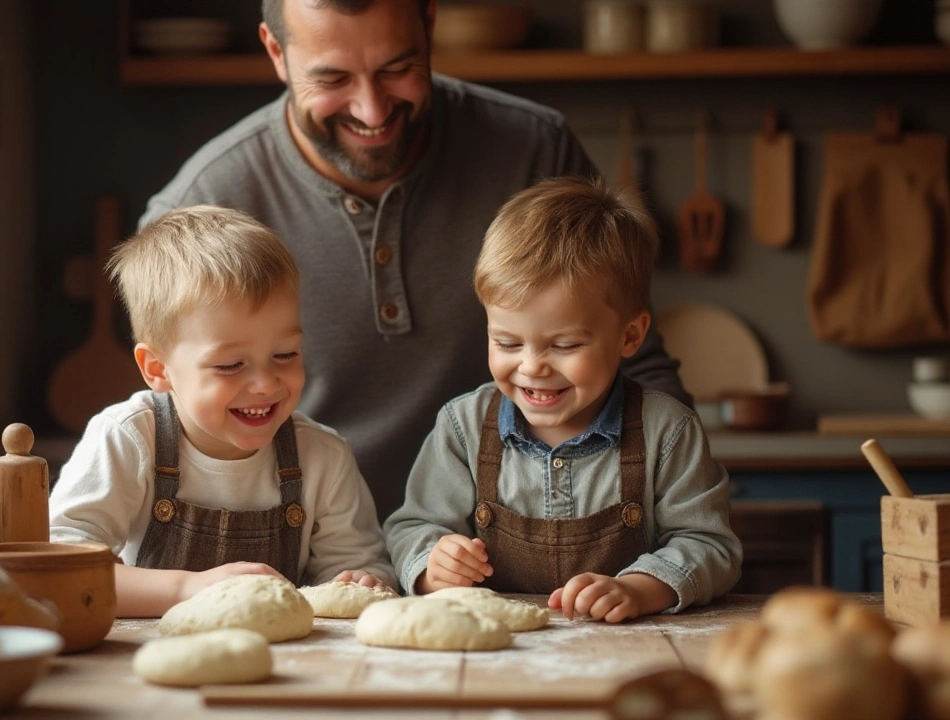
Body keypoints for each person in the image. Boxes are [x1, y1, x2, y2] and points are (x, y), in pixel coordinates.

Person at [140, 0, 689, 522]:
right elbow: (179, 424)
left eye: (397, 68)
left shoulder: (533, 149)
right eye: (332, 80)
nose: (372, 111)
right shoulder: (202, 203)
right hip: (305, 556)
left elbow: (631, 365)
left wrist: (682, 527)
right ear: (276, 52)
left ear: (430, 21)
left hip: (498, 554)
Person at [383, 177, 740, 622]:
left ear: (630, 335)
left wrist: (640, 588)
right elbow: (411, 528)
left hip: (625, 653)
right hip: (496, 653)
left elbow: (709, 546)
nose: (532, 367)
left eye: (565, 346)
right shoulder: (463, 426)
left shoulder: (667, 430)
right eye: (508, 343)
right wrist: (433, 566)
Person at [49, 206, 396, 617]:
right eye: (230, 365)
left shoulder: (322, 456)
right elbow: (60, 570)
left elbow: (360, 568)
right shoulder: (128, 438)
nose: (266, 383)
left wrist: (360, 579)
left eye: (285, 354)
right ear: (157, 369)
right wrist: (187, 587)